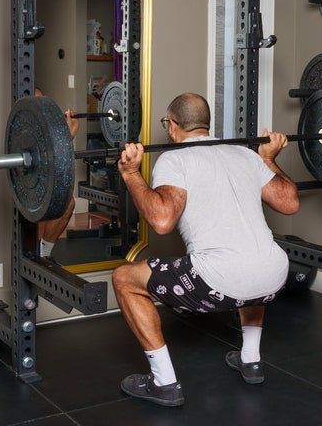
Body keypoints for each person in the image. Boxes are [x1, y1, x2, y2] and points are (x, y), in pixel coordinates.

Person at [112, 92, 299, 407]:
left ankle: (164, 382)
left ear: (171, 125)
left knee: (123, 278)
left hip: (218, 282)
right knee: (247, 251)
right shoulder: (244, 154)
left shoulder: (174, 158)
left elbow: (161, 221)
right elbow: (290, 202)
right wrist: (267, 157)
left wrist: (131, 174)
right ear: (206, 124)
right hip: (274, 275)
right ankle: (250, 359)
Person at [35, 87, 80, 258]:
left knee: (67, 202)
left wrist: (70, 134)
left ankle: (44, 252)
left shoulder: (46, 129)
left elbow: (54, 161)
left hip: (38, 185)